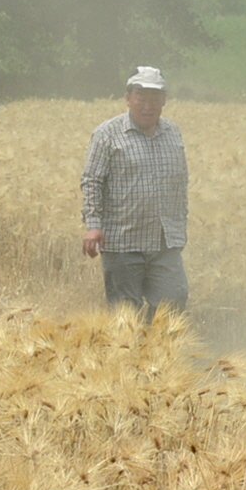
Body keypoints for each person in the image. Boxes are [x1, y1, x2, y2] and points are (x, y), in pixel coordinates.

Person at [81, 66, 189, 318]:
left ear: (164, 101)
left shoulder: (172, 133)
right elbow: (92, 181)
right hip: (122, 241)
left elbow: (181, 181)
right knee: (125, 312)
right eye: (141, 98)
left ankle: (155, 352)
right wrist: (93, 225)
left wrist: (179, 226)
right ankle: (132, 355)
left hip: (164, 241)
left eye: (154, 98)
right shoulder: (107, 134)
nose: (147, 106)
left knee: (173, 302)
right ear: (128, 98)